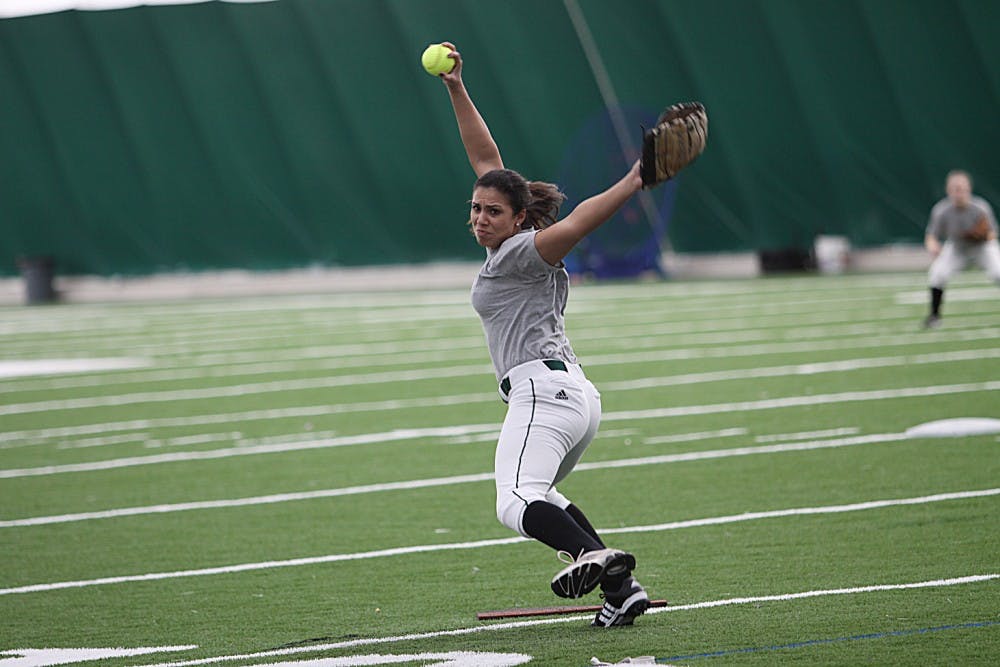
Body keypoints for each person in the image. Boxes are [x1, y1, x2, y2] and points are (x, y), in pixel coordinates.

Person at [434, 42, 649, 627]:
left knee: (515, 501)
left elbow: (578, 221)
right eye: (476, 208)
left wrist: (634, 179)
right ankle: (622, 590)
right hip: (576, 398)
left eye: (493, 212)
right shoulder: (510, 238)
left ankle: (591, 556)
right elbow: (487, 158)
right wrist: (456, 87)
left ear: (521, 219)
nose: (481, 216)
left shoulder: (523, 251)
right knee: (542, 496)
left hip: (543, 397)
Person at [923, 170, 1000, 328]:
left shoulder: (980, 207)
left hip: (982, 247)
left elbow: (992, 233)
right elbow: (931, 235)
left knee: (998, 272)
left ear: (969, 189)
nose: (959, 193)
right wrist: (933, 246)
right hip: (957, 247)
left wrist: (981, 235)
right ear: (948, 190)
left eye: (962, 189)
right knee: (937, 274)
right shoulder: (942, 210)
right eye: (955, 189)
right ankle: (934, 316)